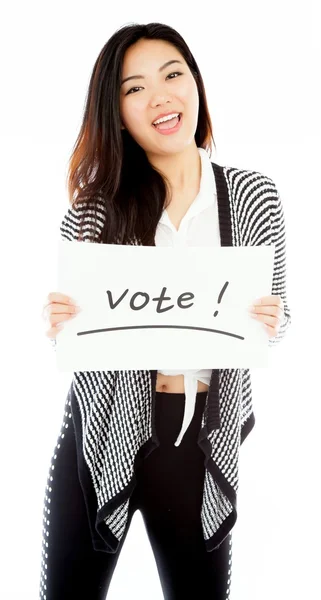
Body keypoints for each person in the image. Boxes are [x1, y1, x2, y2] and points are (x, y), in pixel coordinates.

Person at [39, 22, 291, 600]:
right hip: (101, 430)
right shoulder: (96, 209)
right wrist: (62, 322)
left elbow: (281, 317)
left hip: (201, 436)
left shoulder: (253, 196)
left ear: (195, 85)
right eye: (134, 88)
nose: (160, 96)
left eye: (173, 75)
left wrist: (273, 320)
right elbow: (80, 336)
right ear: (116, 111)